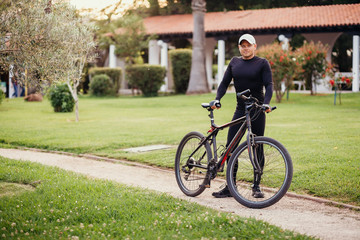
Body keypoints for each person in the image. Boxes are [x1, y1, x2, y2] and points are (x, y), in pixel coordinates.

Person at [210, 33, 273, 198]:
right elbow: (224, 83)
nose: (245, 48)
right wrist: (217, 99)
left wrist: (266, 103)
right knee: (231, 147)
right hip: (240, 109)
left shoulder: (262, 63)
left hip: (257, 110)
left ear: (254, 46)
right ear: (239, 47)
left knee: (257, 147)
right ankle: (230, 186)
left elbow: (269, 85)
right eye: (242, 45)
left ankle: (256, 187)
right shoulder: (234, 62)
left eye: (248, 45)